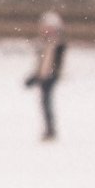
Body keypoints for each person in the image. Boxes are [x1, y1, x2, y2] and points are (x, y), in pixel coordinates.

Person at [24, 10, 66, 142]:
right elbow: (41, 62)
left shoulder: (56, 44)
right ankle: (49, 129)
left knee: (46, 103)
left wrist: (46, 74)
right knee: (44, 103)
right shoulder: (44, 43)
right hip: (44, 75)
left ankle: (50, 130)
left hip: (49, 76)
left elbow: (51, 63)